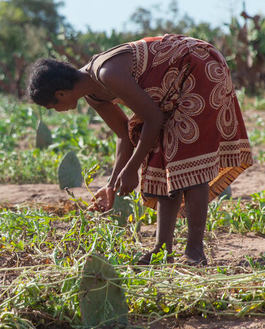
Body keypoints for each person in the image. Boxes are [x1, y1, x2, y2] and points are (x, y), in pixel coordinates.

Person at [27, 34, 252, 265]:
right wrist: (111, 185)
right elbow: (124, 135)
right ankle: (162, 249)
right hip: (174, 85)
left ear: (60, 95)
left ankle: (195, 251)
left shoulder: (107, 74)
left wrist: (132, 168)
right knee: (160, 155)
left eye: (52, 106)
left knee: (187, 158)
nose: (57, 111)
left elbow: (153, 118)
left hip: (199, 66)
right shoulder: (93, 94)